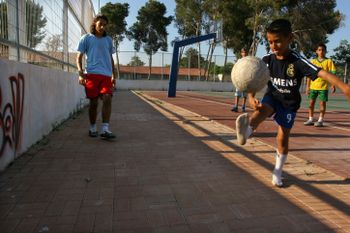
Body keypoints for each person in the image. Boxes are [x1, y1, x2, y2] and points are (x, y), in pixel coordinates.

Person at [235, 19, 350, 187]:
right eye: (270, 42)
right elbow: (253, 79)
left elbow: (321, 73)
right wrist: (251, 97)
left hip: (289, 104)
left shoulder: (297, 61)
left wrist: (344, 87)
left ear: (290, 38)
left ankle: (278, 172)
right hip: (273, 96)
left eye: (278, 41)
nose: (273, 46)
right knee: (261, 111)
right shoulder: (266, 60)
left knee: (282, 138)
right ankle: (245, 132)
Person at [76, 14, 116, 139]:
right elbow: (79, 57)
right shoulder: (86, 38)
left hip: (106, 75)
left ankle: (105, 129)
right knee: (93, 103)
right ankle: (92, 127)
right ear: (95, 24)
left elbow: (111, 58)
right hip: (91, 75)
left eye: (105, 24)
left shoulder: (108, 40)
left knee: (107, 98)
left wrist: (114, 75)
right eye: (100, 24)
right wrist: (80, 73)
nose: (103, 27)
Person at [304, 43, 336, 127]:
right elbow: (309, 75)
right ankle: (310, 119)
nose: (321, 51)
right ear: (316, 51)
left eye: (323, 50)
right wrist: (307, 86)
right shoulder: (313, 61)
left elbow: (332, 74)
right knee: (311, 104)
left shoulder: (329, 61)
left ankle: (320, 120)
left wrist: (333, 84)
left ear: (325, 51)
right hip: (313, 87)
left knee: (322, 104)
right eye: (319, 50)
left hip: (323, 87)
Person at [232, 47, 248, 112]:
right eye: (243, 52)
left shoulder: (249, 60)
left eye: (245, 52)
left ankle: (243, 107)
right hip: (239, 79)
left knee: (245, 94)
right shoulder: (239, 60)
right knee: (237, 93)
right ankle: (236, 106)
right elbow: (236, 68)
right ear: (241, 53)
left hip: (246, 79)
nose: (244, 53)